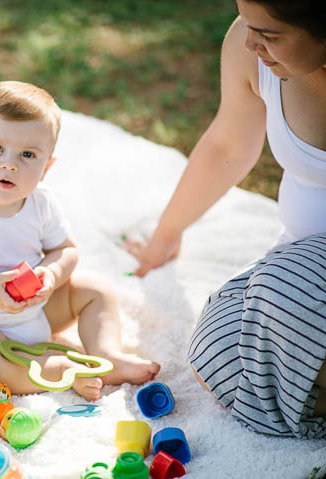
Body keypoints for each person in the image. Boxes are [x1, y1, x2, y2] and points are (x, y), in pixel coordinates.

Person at [126, 0, 326, 438]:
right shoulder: (249, 46)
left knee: (283, 297)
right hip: (296, 271)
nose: (251, 41)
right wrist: (166, 233)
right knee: (213, 352)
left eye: (270, 34)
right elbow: (226, 148)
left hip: (297, 279)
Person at [0, 81, 160, 401]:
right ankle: (57, 370)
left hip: (38, 309)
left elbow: (66, 250)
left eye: (27, 154)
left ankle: (106, 353)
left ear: (46, 167)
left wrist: (52, 273)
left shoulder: (41, 202)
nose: (9, 163)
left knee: (95, 288)